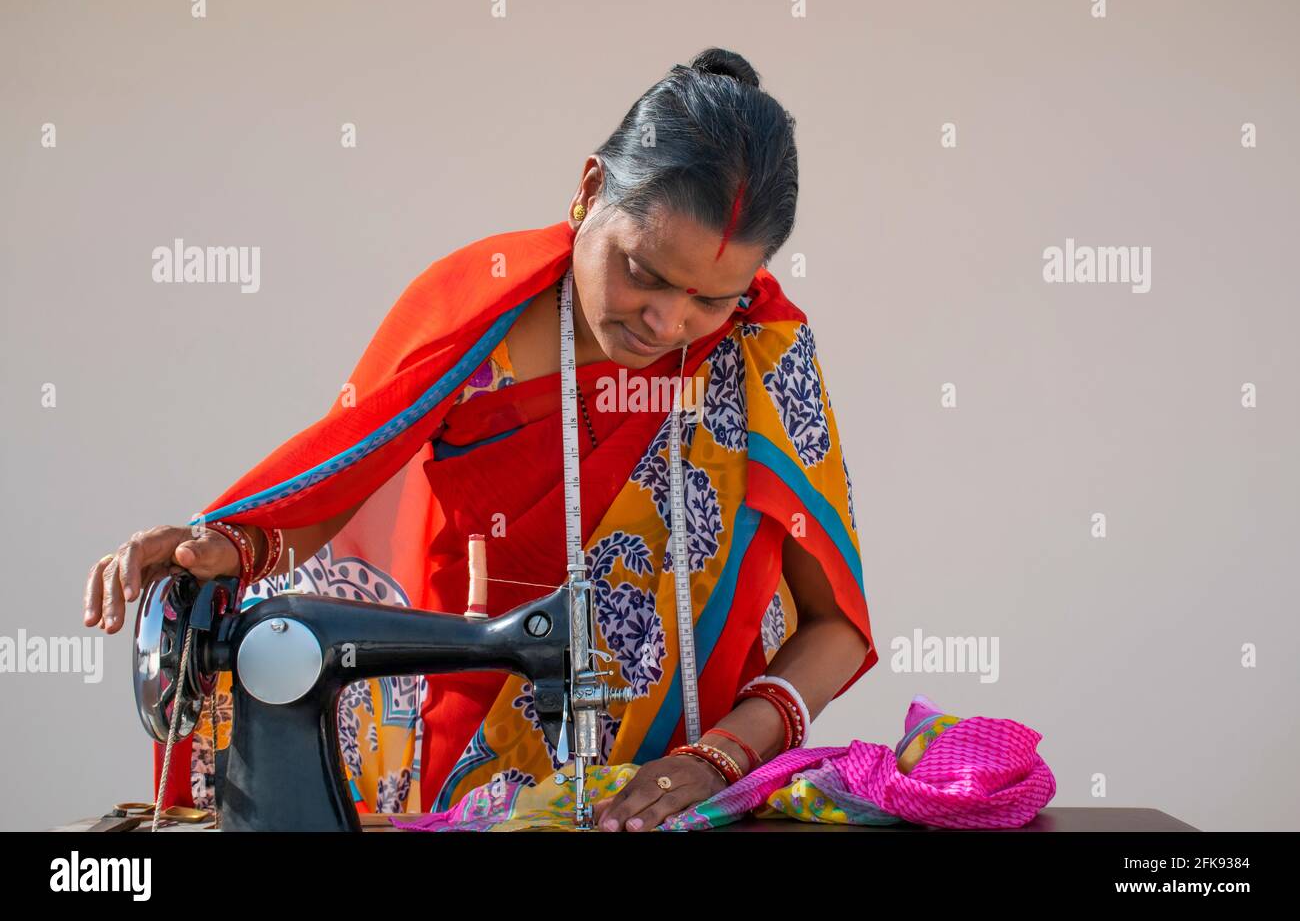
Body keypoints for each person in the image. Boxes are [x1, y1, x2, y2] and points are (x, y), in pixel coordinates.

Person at [81, 47, 880, 831]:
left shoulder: (764, 354)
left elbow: (835, 627)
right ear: (590, 188)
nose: (666, 322)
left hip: (684, 786)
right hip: (470, 744)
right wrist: (224, 548)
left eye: (709, 301)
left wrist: (719, 758)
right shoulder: (471, 316)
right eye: (643, 272)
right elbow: (336, 478)